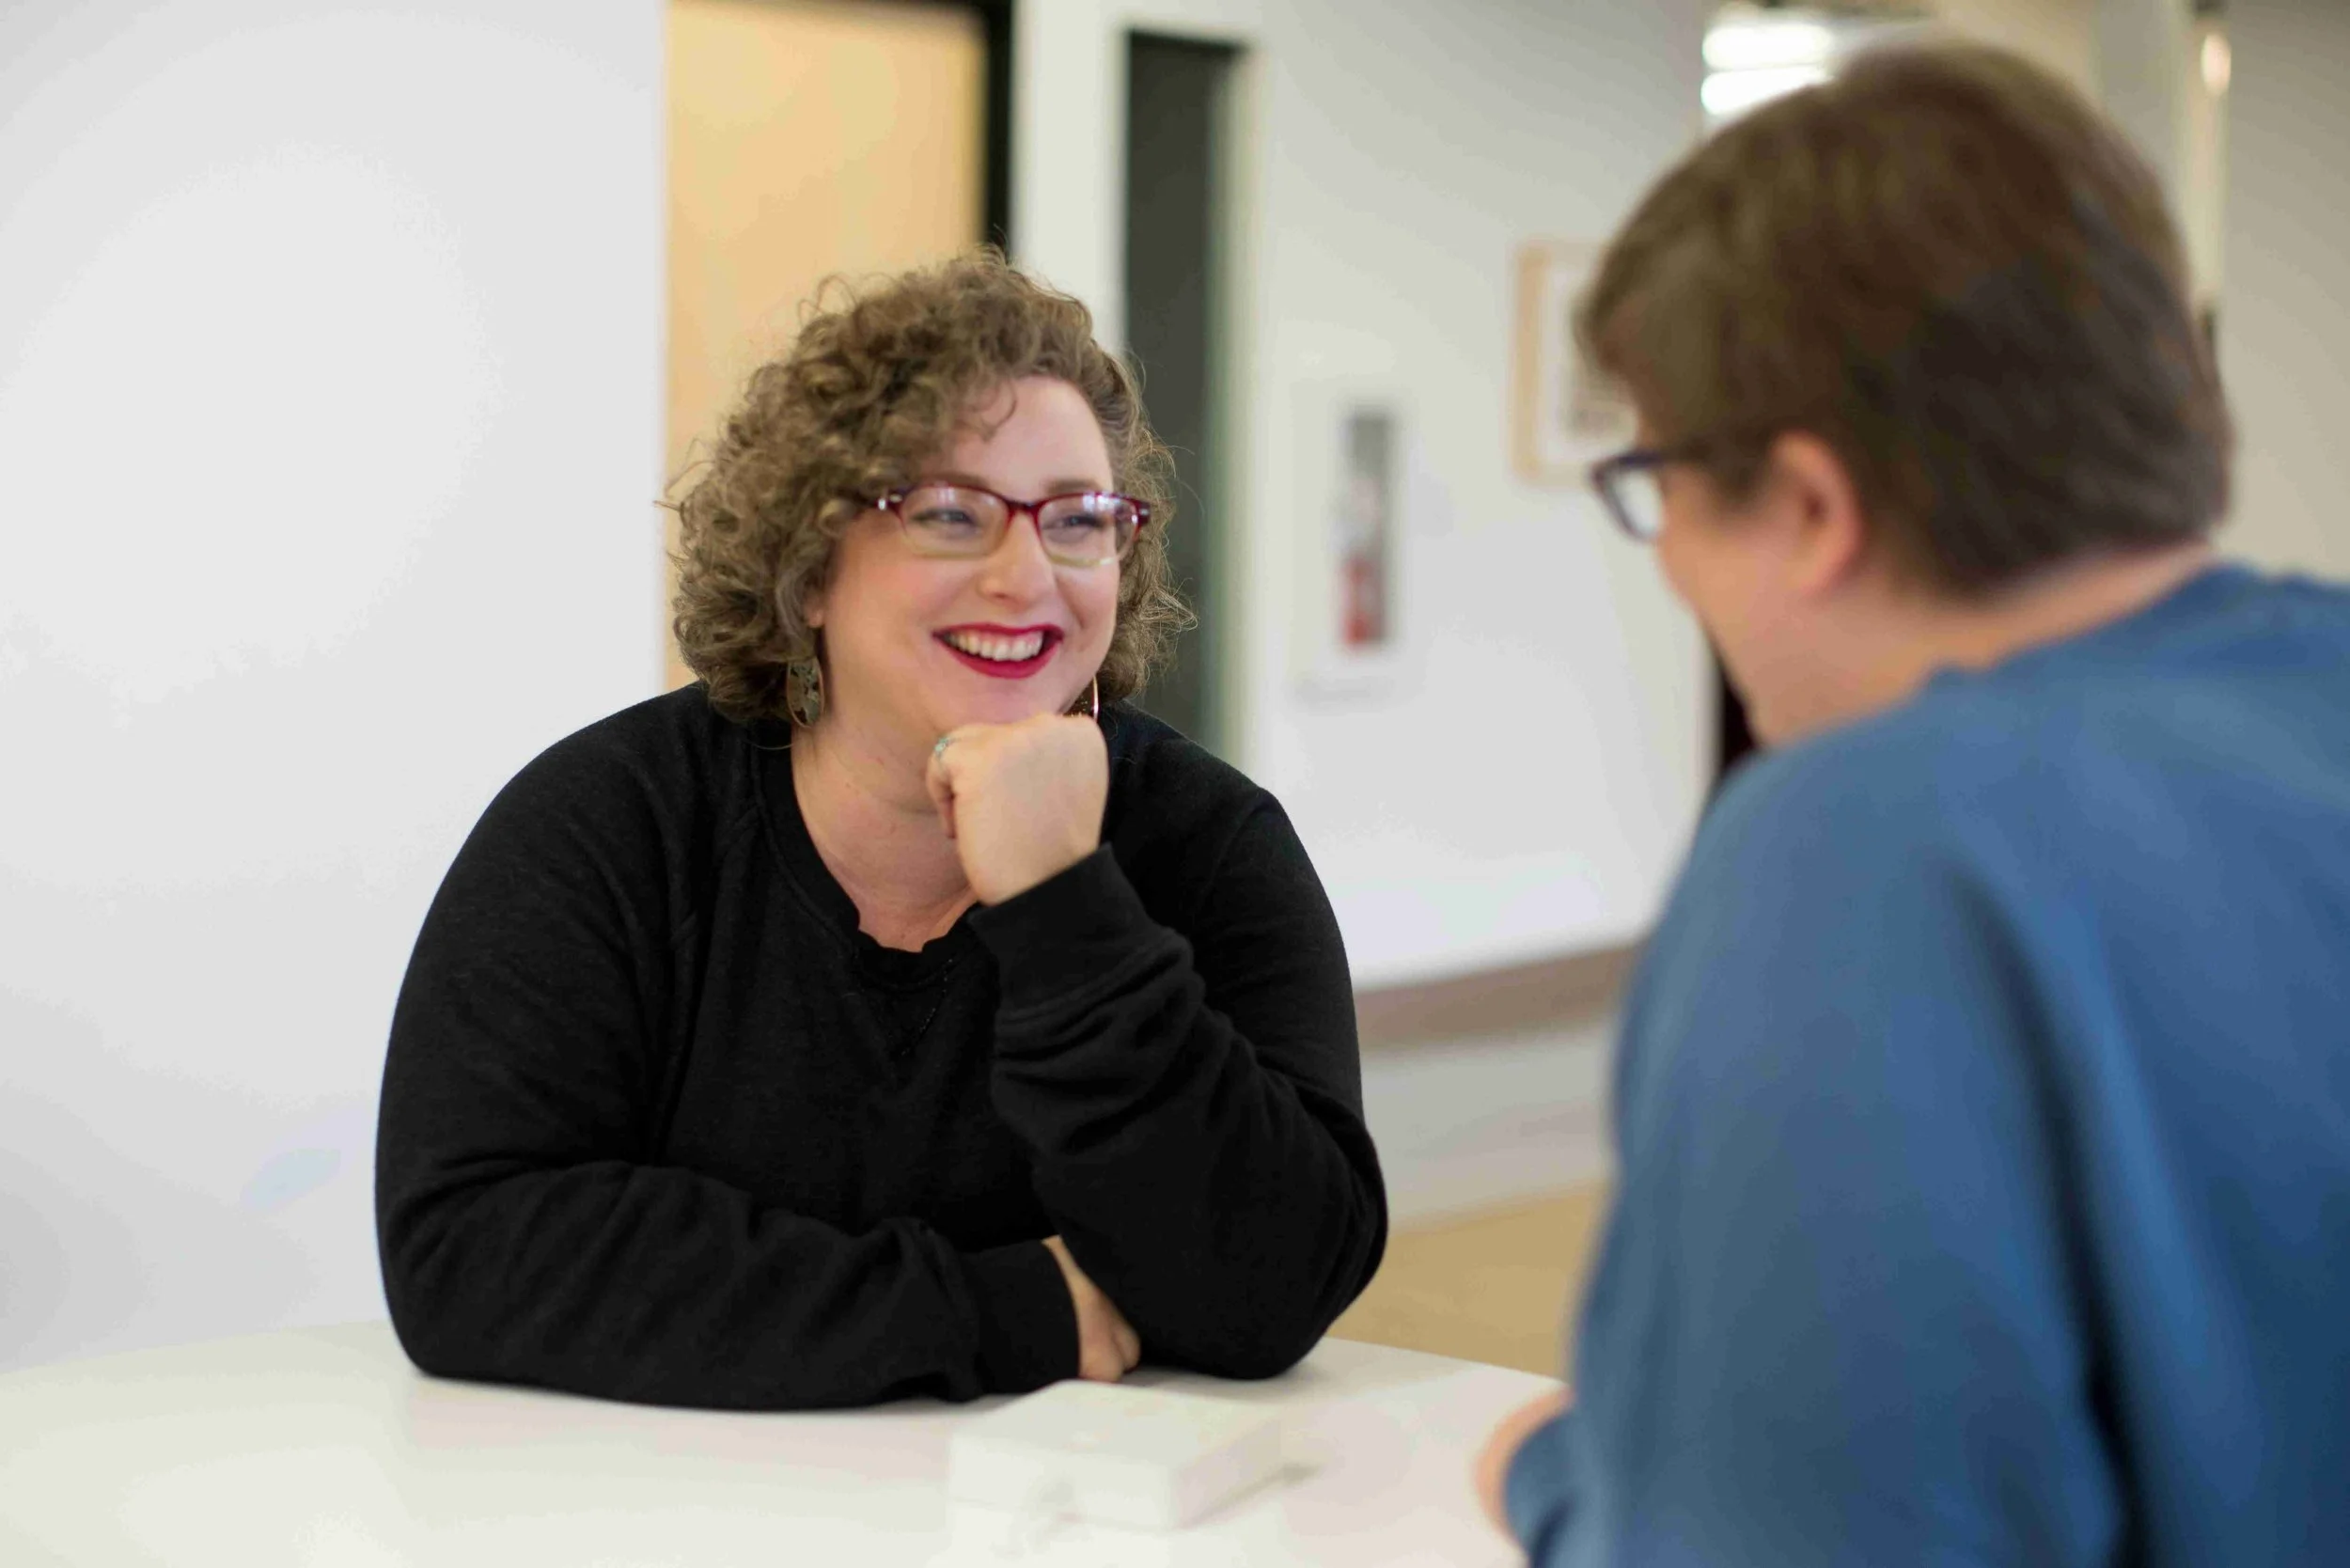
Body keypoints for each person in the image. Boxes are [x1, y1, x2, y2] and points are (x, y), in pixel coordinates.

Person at [1478, 42, 2350, 1566]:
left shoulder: (1866, 855)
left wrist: (1574, 1485)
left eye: (1658, 484)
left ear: (1810, 507)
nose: (1668, 560)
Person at [375, 252, 1386, 1408]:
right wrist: (1006, 1314)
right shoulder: (610, 826)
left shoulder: (1207, 847)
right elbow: (468, 1250)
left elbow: (1276, 1287)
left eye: (1076, 520)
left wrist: (1066, 909)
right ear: (808, 572)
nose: (1025, 576)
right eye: (950, 515)